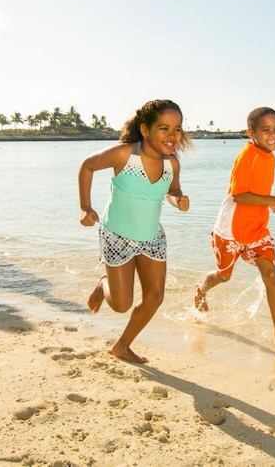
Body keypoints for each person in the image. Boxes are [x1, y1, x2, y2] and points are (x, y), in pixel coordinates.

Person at [78, 99, 191, 364]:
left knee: (155, 297)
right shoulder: (124, 154)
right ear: (145, 129)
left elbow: (171, 192)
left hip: (151, 238)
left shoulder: (172, 164)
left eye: (177, 128)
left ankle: (122, 346)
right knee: (120, 304)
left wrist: (179, 200)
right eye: (164, 128)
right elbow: (87, 166)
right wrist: (85, 207)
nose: (172, 135)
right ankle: (103, 283)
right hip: (116, 235)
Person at [195, 107, 275, 346]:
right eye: (265, 130)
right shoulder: (246, 156)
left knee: (270, 273)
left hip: (257, 229)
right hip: (231, 228)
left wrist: (271, 203)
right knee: (223, 276)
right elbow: (240, 195)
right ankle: (201, 290)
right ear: (251, 132)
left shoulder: (269, 156)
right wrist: (274, 200)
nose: (273, 135)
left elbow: (256, 191)